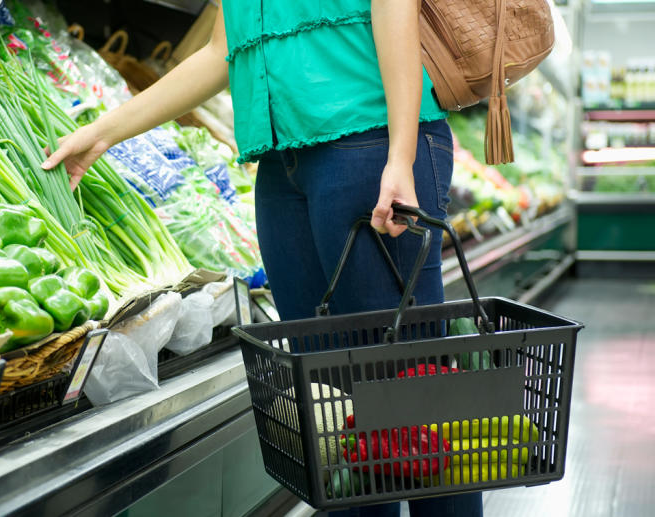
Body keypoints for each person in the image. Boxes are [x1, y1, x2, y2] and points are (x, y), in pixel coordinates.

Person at [41, 1, 482, 516]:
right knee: (331, 406)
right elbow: (220, 52)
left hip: (369, 144)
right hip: (282, 167)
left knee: (411, 394)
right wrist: (105, 132)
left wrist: (401, 156)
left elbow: (393, 8)